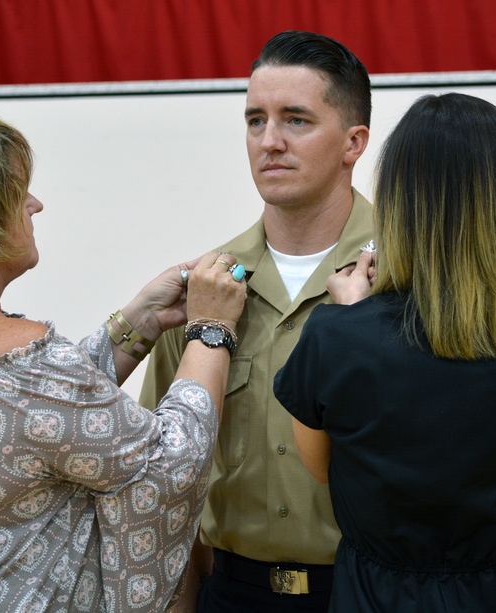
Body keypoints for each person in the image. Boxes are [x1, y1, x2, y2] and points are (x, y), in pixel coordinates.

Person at [0, 104, 247, 612]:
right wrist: (211, 328)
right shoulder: (23, 362)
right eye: (18, 194)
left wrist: (136, 322)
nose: (35, 205)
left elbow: (21, 427)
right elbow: (165, 464)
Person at [273, 93, 496, 612]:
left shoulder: (335, 339)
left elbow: (324, 469)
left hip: (378, 598)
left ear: (401, 209)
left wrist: (353, 316)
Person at [139, 31, 372, 611]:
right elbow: (166, 476)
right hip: (234, 593)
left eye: (296, 120)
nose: (269, 142)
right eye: (254, 120)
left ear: (352, 142)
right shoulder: (208, 288)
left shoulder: (407, 281)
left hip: (370, 590)